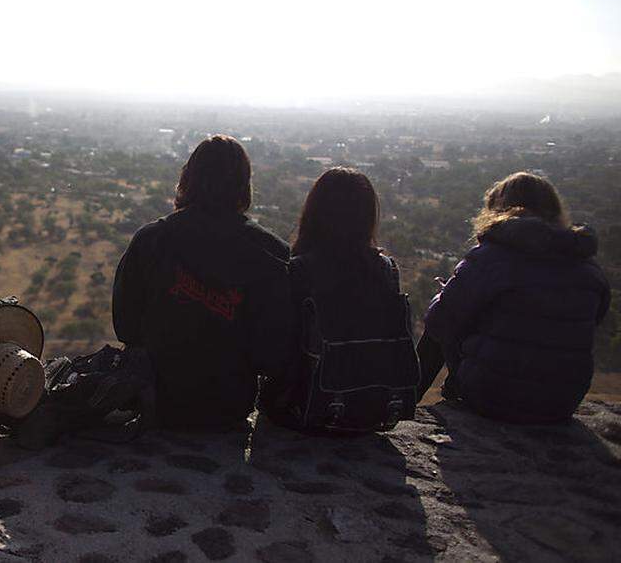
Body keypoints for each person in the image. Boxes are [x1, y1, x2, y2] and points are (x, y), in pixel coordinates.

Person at [112, 134, 293, 430]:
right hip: (228, 406)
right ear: (243, 185)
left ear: (188, 178)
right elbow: (271, 352)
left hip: (155, 398)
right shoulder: (271, 252)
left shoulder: (152, 239)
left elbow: (125, 325)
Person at [420, 172, 610, 423]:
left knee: (446, 312)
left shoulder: (489, 257)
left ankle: (403, 403)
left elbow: (440, 320)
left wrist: (444, 295)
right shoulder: (587, 265)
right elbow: (593, 319)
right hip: (562, 402)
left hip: (492, 397)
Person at [261, 167, 420, 431]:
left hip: (300, 409)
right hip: (373, 412)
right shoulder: (386, 269)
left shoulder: (299, 270)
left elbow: (276, 348)